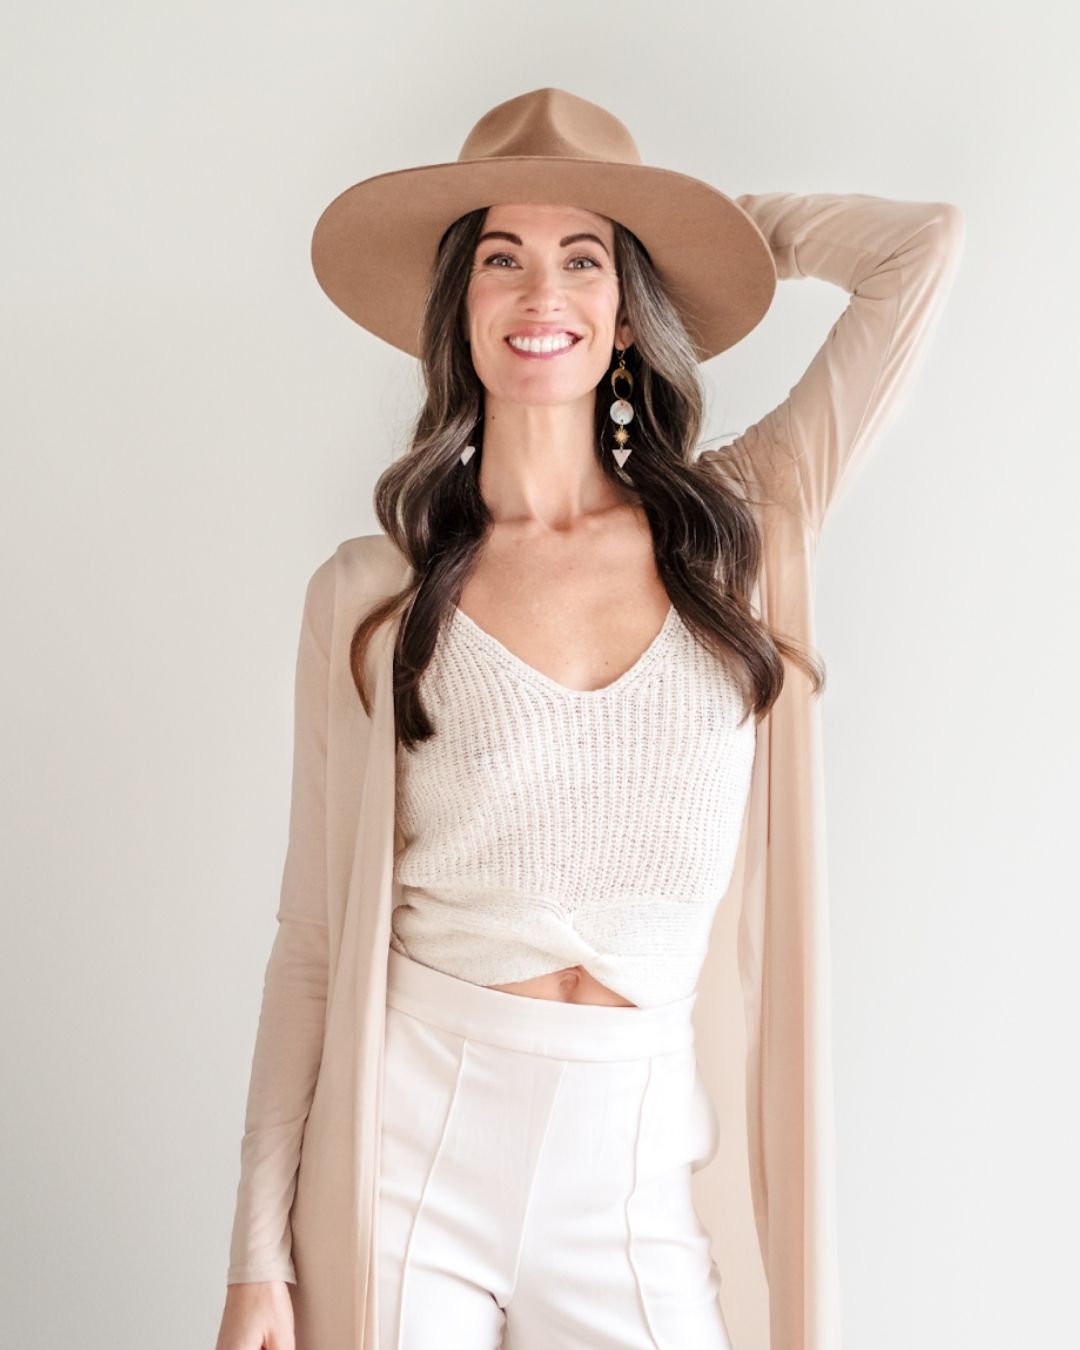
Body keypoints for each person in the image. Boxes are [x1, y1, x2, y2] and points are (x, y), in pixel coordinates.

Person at [214, 88, 965, 1350]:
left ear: (628, 310)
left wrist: (712, 237)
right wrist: (256, 1260)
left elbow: (917, 251)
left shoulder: (742, 528)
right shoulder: (373, 595)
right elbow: (309, 944)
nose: (541, 292)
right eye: (500, 257)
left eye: (585, 259)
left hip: (632, 1172)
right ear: (459, 306)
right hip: (410, 1150)